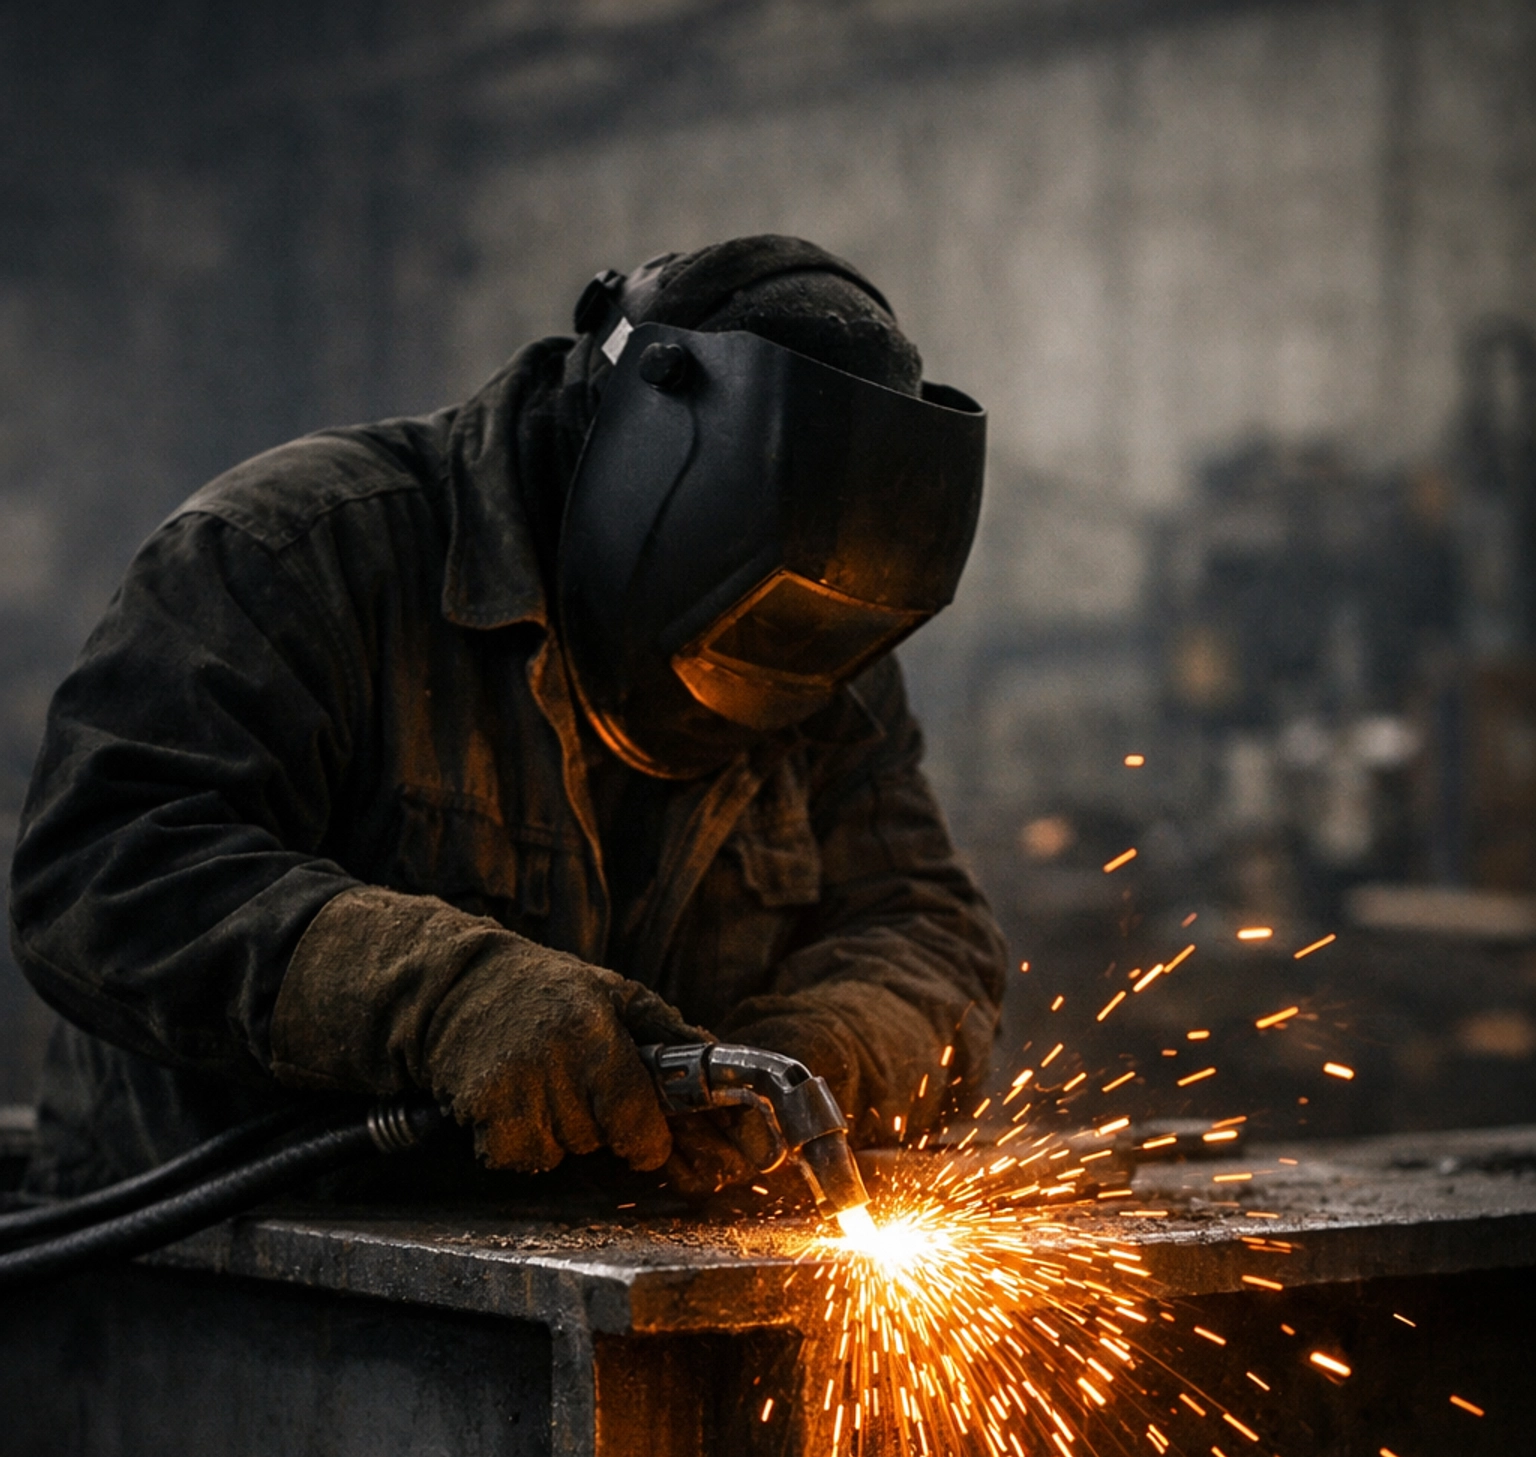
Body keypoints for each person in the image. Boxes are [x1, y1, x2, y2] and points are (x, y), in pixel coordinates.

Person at [9, 235, 1006, 1200]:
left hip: (563, 1274)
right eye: (728, 626)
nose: (754, 680)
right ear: (632, 468)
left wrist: (825, 1048)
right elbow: (104, 868)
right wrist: (442, 998)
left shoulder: (820, 649)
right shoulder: (302, 555)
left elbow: (925, 932)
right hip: (210, 1271)